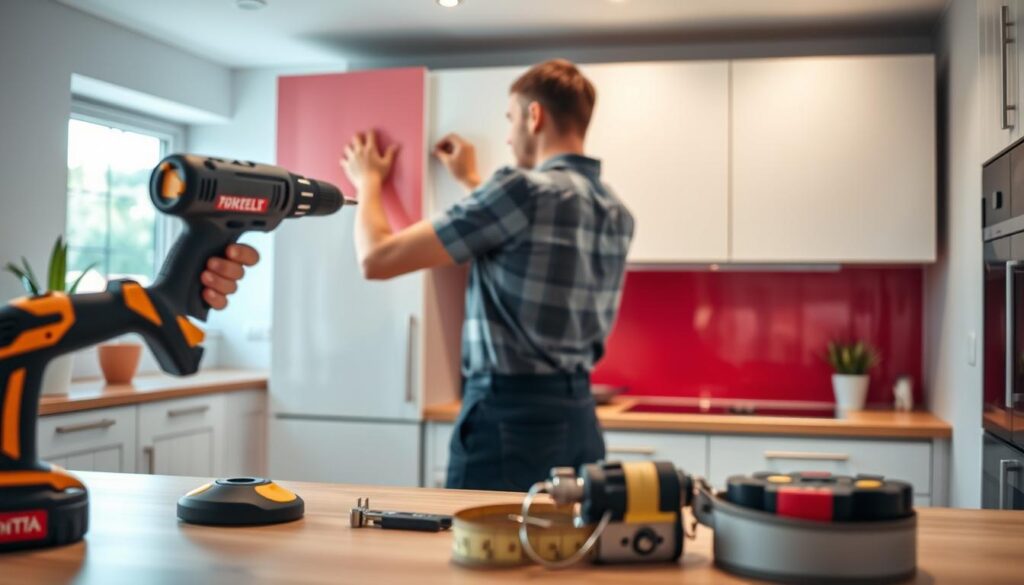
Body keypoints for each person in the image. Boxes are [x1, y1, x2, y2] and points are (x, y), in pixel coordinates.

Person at [202, 59, 634, 491]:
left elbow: (378, 258)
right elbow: (520, 244)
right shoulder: (614, 210)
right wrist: (470, 182)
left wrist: (368, 181)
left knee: (483, 549)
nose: (507, 135)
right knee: (565, 550)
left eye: (509, 118)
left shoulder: (519, 190)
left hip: (509, 418)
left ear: (533, 115)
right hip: (579, 420)